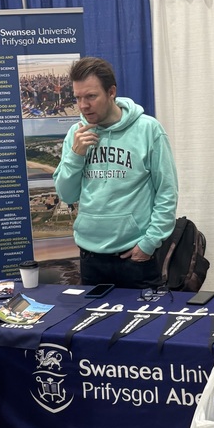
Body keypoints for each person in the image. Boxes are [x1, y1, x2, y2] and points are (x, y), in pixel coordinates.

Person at [53, 56, 178, 289]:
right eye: (78, 98)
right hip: (90, 257)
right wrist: (76, 155)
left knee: (142, 315)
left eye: (91, 96)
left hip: (135, 257)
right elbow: (66, 195)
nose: (83, 105)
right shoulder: (76, 134)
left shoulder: (148, 129)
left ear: (111, 92)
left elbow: (167, 192)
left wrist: (149, 243)